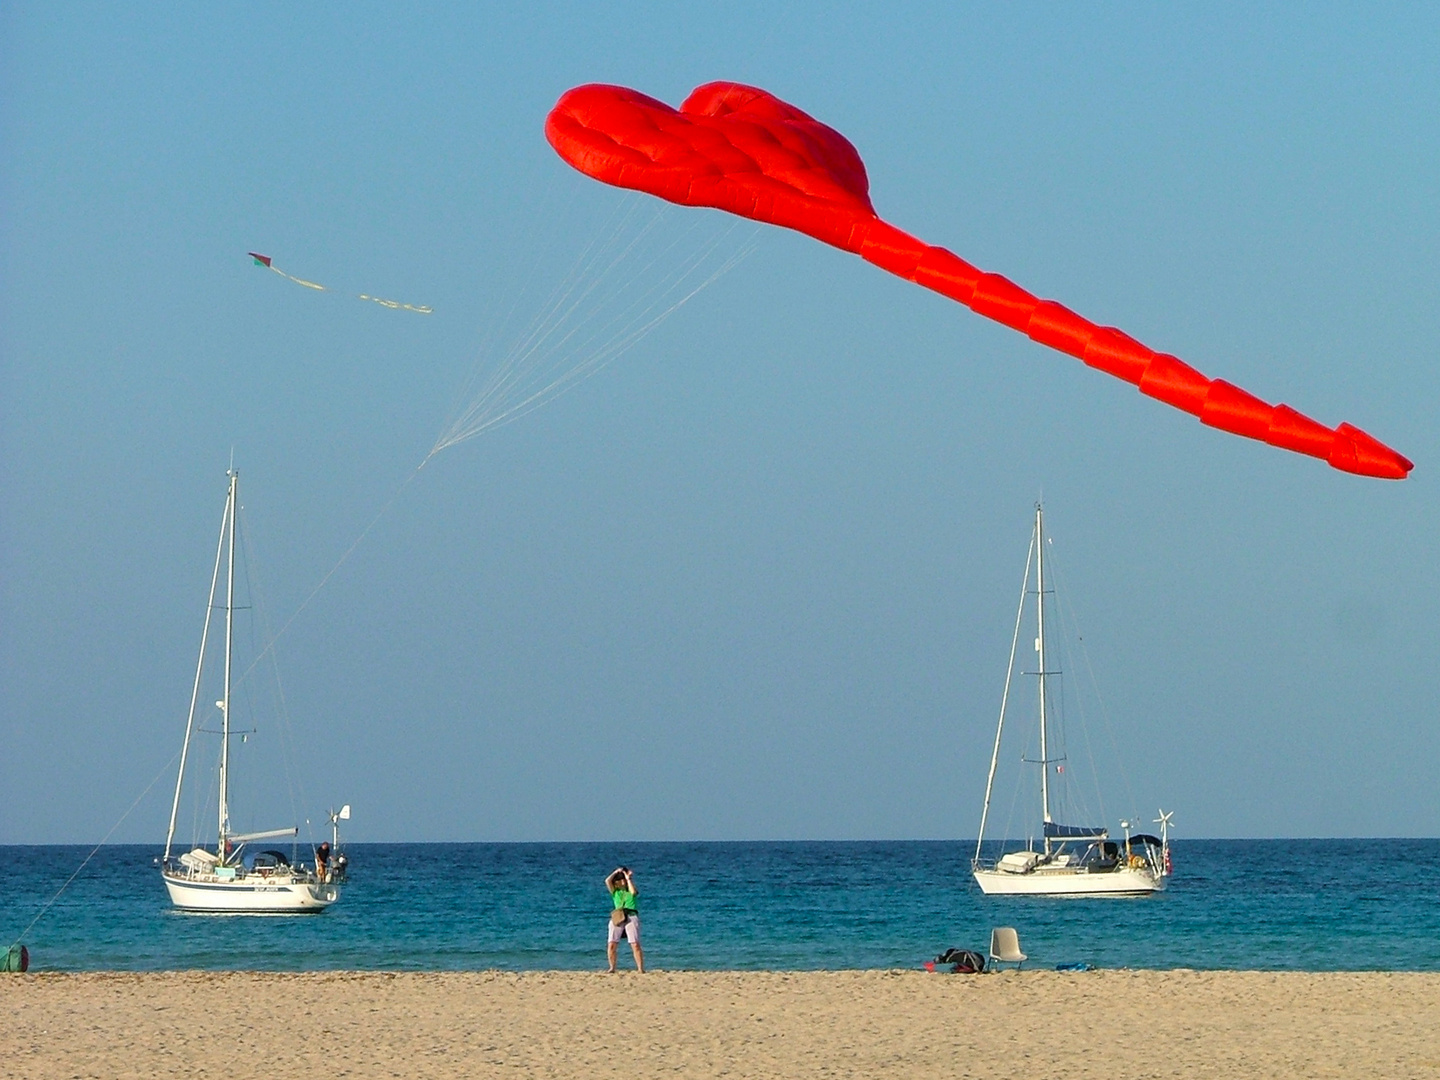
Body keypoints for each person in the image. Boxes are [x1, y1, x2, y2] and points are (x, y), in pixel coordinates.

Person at [605, 866, 644, 973]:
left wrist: (628, 878)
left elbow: (633, 893)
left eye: (622, 879)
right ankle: (612, 967)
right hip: (618, 915)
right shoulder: (615, 892)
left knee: (635, 943)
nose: (621, 881)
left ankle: (640, 968)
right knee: (612, 943)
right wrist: (615, 872)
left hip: (631, 915)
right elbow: (607, 881)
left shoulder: (630, 888)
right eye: (619, 879)